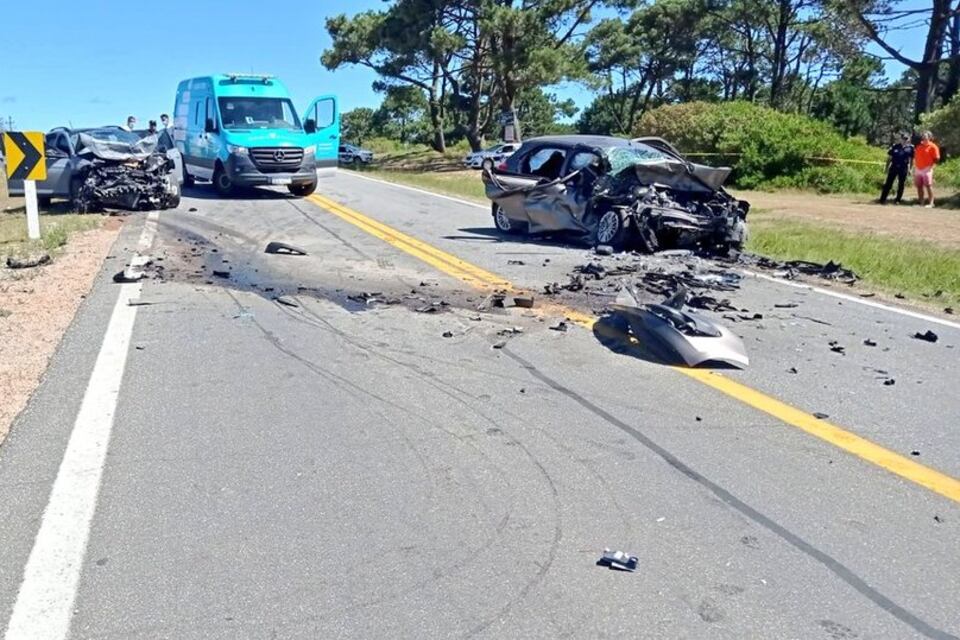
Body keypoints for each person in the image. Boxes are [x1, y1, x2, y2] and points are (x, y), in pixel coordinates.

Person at [880, 133, 913, 204]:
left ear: (908, 139)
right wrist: (886, 168)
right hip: (894, 167)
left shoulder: (910, 148)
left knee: (901, 185)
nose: (904, 140)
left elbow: (911, 159)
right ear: (900, 139)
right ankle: (882, 199)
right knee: (888, 183)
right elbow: (889, 158)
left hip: (903, 168)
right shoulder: (895, 146)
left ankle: (898, 200)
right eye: (903, 138)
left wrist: (910, 169)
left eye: (906, 139)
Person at [914, 131, 941, 208]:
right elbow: (916, 157)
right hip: (918, 168)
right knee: (919, 186)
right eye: (923, 136)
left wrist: (931, 167)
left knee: (928, 185)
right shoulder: (919, 146)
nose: (924, 137)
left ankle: (931, 203)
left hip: (927, 168)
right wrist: (915, 167)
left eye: (926, 136)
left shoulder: (933, 146)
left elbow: (937, 158)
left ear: (929, 137)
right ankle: (921, 203)